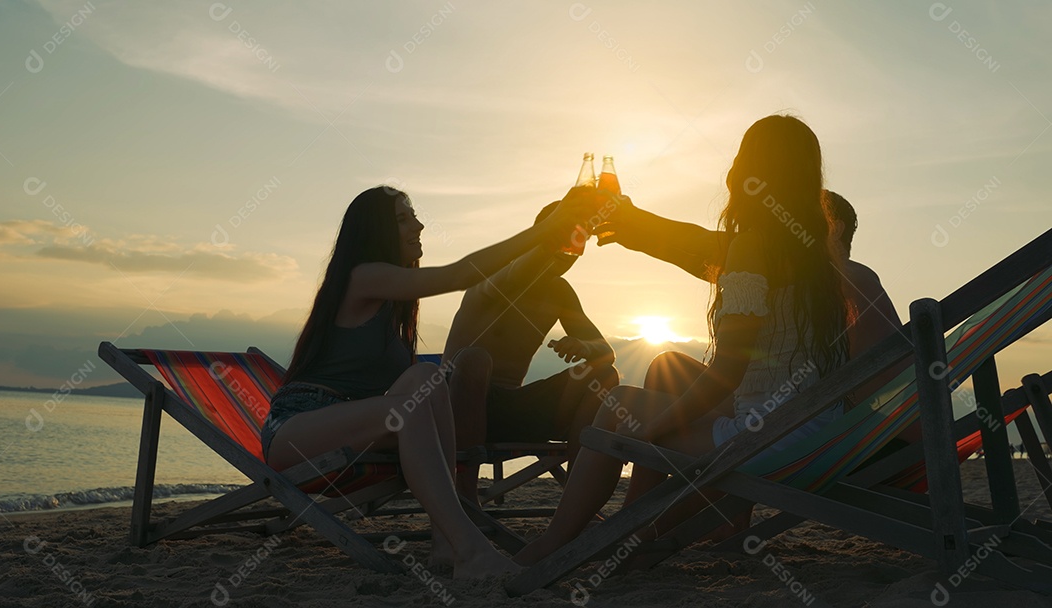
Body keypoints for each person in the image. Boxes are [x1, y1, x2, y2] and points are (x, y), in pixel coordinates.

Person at [515, 114, 853, 565]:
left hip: (771, 437)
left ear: (746, 172)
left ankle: (556, 544)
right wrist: (634, 225)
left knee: (622, 405)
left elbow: (728, 371)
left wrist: (657, 427)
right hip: (816, 424)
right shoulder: (813, 250)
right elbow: (699, 247)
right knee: (668, 371)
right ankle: (639, 527)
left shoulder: (753, 246)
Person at [262, 185, 591, 579]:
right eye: (403, 218)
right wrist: (547, 231)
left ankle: (444, 540)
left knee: (426, 377)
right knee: (412, 402)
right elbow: (460, 274)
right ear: (376, 231)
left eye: (413, 215)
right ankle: (470, 550)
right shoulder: (364, 276)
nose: (418, 224)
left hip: (352, 426)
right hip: (297, 430)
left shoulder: (391, 302)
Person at [611, 189, 911, 546]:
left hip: (836, 437)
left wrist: (635, 225)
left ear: (833, 227)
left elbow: (886, 385)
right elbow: (713, 258)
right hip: (793, 418)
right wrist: (637, 235)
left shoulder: (848, 278)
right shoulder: (802, 280)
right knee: (668, 366)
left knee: (676, 404)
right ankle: (720, 517)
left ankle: (643, 525)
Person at [443, 201, 619, 500]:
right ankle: (463, 496)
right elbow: (517, 274)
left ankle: (579, 497)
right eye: (566, 236)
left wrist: (582, 345)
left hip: (513, 410)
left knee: (604, 374)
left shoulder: (559, 292)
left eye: (580, 239)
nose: (572, 248)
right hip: (453, 406)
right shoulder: (496, 273)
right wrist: (550, 241)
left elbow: (605, 350)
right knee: (474, 359)